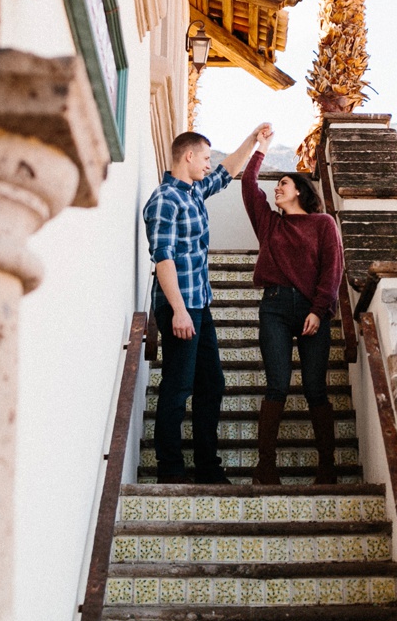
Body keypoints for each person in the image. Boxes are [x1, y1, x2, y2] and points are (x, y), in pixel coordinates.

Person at [144, 125, 267, 484]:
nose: (209, 165)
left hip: (200, 304)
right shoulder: (166, 199)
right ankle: (170, 471)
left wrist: (252, 141)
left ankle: (207, 467)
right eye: (206, 158)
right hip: (179, 306)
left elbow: (227, 172)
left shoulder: (194, 191)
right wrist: (179, 310)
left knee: (211, 384)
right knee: (178, 387)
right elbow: (163, 258)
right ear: (189, 156)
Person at [242, 125, 345, 484]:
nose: (277, 188)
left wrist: (318, 310)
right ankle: (265, 468)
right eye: (277, 184)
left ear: (299, 190)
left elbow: (332, 270)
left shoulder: (322, 224)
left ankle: (327, 468)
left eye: (283, 184)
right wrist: (261, 148)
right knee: (278, 385)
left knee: (316, 388)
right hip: (273, 309)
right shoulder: (270, 224)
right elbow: (248, 186)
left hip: (311, 310)